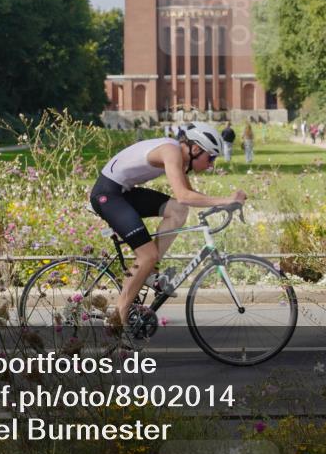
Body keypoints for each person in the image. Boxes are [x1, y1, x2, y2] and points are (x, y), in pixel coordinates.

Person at [90, 122, 245, 329]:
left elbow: (188, 199)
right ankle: (118, 321)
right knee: (147, 255)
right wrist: (225, 200)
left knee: (177, 211)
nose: (211, 165)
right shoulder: (171, 152)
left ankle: (149, 272)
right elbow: (183, 195)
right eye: (211, 158)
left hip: (123, 192)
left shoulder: (180, 158)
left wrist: (223, 203)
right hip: (108, 195)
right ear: (196, 149)